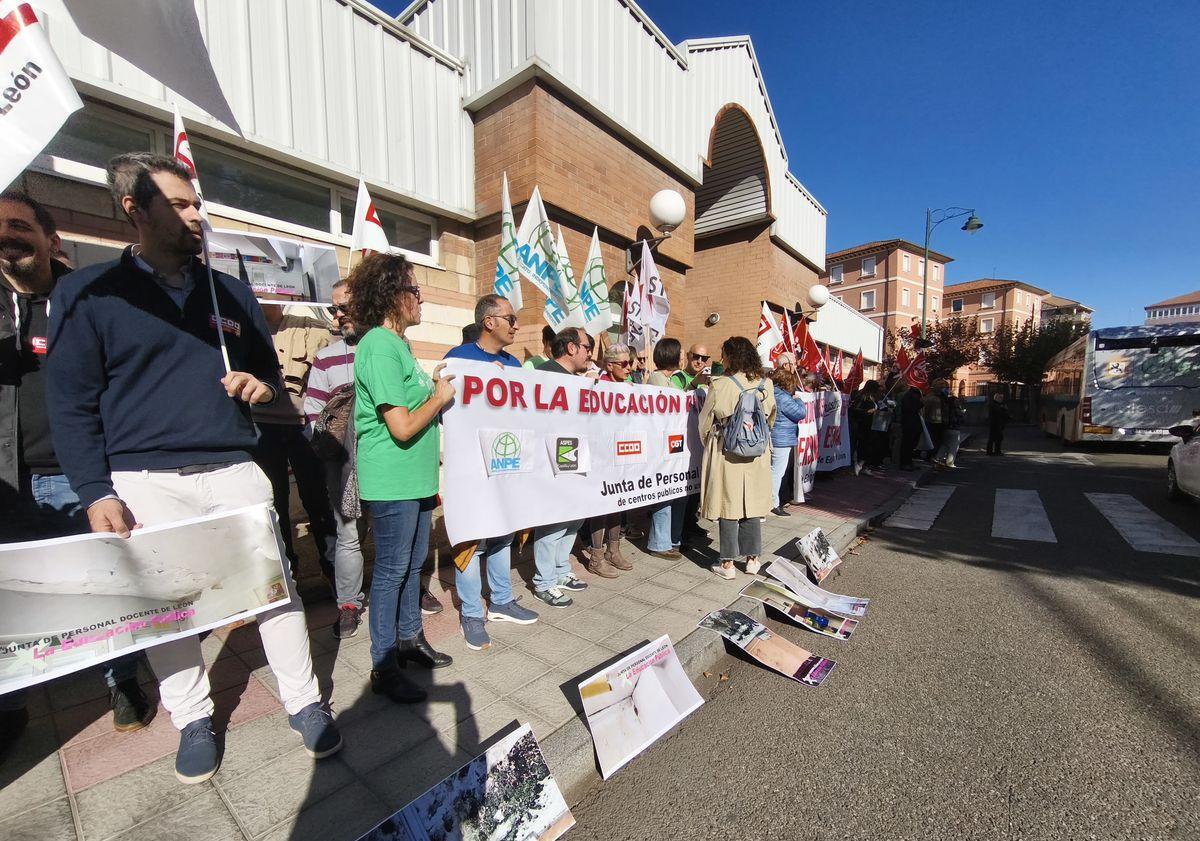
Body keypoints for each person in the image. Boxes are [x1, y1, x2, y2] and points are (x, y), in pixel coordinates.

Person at [47, 153, 340, 784]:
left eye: (195, 203)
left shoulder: (229, 291)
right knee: (167, 609)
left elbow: (269, 376)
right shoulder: (87, 293)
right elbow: (70, 404)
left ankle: (306, 702)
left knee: (274, 592)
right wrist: (95, 491)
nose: (195, 215)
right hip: (143, 480)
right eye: (178, 204)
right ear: (134, 210)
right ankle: (194, 719)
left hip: (233, 465)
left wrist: (261, 388)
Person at [0, 191, 152, 751]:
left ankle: (124, 682)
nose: (7, 235)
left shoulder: (86, 298)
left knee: (108, 585)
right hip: (9, 478)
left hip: (83, 471)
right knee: (14, 598)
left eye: (19, 225)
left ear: (52, 240)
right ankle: (11, 703)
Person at [349, 252, 456, 700]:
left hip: (414, 479)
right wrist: (441, 398)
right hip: (392, 480)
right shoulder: (377, 344)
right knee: (392, 571)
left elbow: (411, 405)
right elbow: (403, 426)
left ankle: (410, 639)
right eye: (414, 291)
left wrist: (431, 385)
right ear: (392, 295)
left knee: (413, 565)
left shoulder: (400, 346)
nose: (420, 300)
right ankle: (383, 663)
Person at [443, 294, 539, 649]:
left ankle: (501, 600)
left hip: (507, 463)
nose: (516, 325)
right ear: (489, 322)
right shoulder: (458, 359)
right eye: (511, 319)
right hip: (471, 467)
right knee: (472, 539)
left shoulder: (514, 364)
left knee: (502, 533)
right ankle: (471, 612)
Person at [253, 295, 337, 580]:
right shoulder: (244, 327)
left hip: (303, 425)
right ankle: (288, 571)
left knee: (317, 498)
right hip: (261, 426)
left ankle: (334, 571)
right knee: (273, 502)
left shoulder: (309, 327)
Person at [303, 281, 369, 639]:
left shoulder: (394, 347)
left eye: (345, 307)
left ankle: (411, 590)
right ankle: (348, 604)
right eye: (334, 309)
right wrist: (329, 444)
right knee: (349, 535)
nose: (338, 315)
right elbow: (312, 411)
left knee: (392, 532)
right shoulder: (327, 356)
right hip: (342, 464)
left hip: (386, 461)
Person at [699, 336, 776, 579]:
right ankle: (753, 560)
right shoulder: (766, 384)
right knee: (752, 506)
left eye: (724, 354)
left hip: (727, 451)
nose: (721, 359)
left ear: (730, 356)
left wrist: (711, 443)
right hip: (757, 453)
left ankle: (727, 565)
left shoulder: (720, 384)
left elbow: (705, 422)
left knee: (727, 505)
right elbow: (771, 419)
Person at [531, 327, 595, 606]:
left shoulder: (575, 379)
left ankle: (560, 571)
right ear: (571, 348)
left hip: (575, 453)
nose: (590, 353)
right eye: (587, 346)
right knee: (553, 521)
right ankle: (543, 581)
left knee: (574, 517)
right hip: (552, 457)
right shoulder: (544, 374)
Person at [587, 344, 633, 576]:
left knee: (618, 503)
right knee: (601, 506)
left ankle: (613, 551)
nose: (629, 367)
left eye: (630, 362)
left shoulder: (626, 386)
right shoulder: (597, 383)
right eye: (624, 363)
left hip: (621, 453)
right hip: (601, 455)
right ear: (610, 365)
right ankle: (595, 556)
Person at [645, 338, 688, 558]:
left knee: (679, 493)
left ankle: (674, 539)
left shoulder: (674, 380)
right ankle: (659, 543)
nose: (684, 356)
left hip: (675, 446)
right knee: (665, 493)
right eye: (680, 352)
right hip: (662, 447)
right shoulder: (657, 380)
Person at [767, 364, 806, 516]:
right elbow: (800, 413)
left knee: (771, 471)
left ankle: (769, 501)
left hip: (772, 437)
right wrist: (799, 400)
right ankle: (773, 504)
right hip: (781, 439)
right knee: (777, 472)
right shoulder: (784, 397)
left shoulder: (771, 393)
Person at [850, 380, 882, 474]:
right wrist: (868, 412)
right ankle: (858, 464)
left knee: (870, 445)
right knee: (862, 446)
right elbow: (855, 410)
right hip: (862, 425)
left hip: (872, 425)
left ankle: (865, 466)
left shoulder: (873, 398)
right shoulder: (862, 397)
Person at [898, 383, 923, 470]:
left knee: (912, 444)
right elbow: (909, 408)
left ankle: (909, 462)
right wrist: (920, 404)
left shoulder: (915, 394)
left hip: (913, 422)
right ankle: (905, 463)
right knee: (907, 444)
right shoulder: (909, 395)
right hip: (909, 423)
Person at [922, 380, 949, 460]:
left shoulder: (943, 396)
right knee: (933, 440)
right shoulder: (930, 397)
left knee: (939, 440)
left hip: (941, 421)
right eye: (941, 385)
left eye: (943, 385)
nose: (942, 387)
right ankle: (930, 455)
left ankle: (934, 454)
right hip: (932, 421)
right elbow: (926, 409)